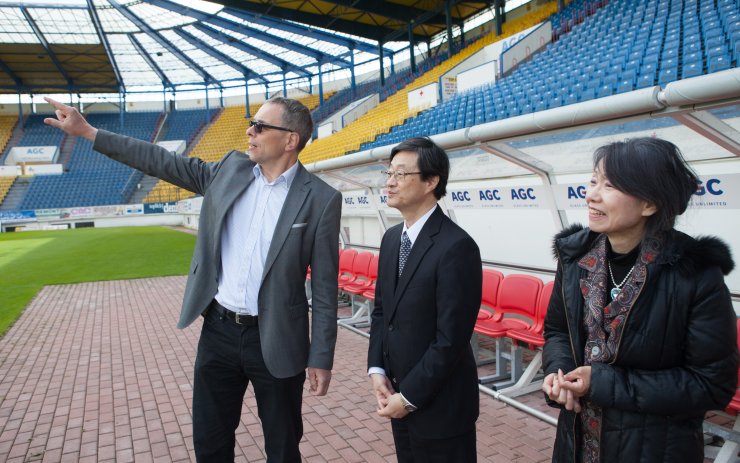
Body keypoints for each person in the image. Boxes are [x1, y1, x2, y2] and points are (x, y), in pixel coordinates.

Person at [44, 96, 342, 462]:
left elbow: (326, 288)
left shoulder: (322, 199)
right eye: (252, 122)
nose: (250, 131)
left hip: (279, 339)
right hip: (219, 332)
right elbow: (160, 161)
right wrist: (88, 132)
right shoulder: (228, 170)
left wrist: (321, 356)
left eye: (261, 126)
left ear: (290, 139)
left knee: (282, 448)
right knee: (210, 442)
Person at [542, 137, 738, 463]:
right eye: (593, 181)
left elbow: (711, 385)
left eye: (610, 185)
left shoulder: (695, 274)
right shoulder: (575, 259)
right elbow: (558, 331)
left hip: (655, 450)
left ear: (649, 204)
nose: (591, 195)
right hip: (575, 445)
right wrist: (557, 373)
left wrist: (602, 382)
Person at [367, 137, 482, 462]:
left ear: (431, 181)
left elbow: (451, 340)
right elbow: (381, 312)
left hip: (441, 408)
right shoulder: (392, 239)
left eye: (400, 174)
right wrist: (377, 369)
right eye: (389, 173)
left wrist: (409, 397)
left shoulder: (456, 247)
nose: (390, 182)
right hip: (397, 397)